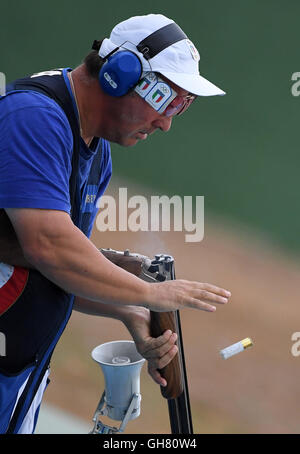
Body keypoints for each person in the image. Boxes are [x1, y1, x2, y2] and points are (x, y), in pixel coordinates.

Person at [0, 13, 230, 433]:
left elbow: (59, 270)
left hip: (21, 375)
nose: (166, 122)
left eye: (181, 105)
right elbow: (49, 246)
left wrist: (131, 311)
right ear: (118, 75)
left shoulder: (95, 150)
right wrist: (149, 292)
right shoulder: (35, 115)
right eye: (164, 99)